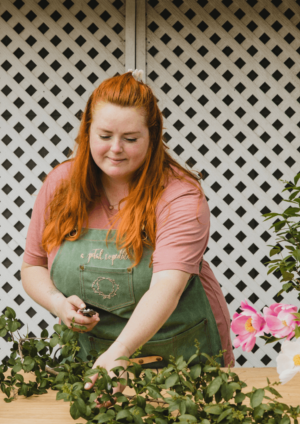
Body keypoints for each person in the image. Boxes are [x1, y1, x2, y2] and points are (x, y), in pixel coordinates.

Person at [21, 70, 234, 391]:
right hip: (93, 358)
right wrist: (57, 302)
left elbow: (167, 287)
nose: (116, 148)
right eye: (105, 136)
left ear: (153, 137)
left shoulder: (180, 195)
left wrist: (120, 351)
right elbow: (32, 265)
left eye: (130, 139)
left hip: (182, 355)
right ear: (87, 132)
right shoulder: (60, 185)